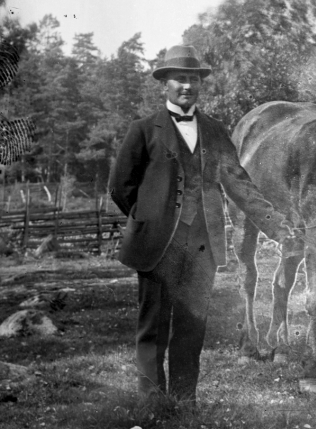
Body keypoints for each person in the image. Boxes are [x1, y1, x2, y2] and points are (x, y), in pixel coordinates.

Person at [110, 45, 295, 404]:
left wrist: (277, 225)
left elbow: (239, 183)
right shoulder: (143, 130)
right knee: (153, 329)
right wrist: (149, 220)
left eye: (193, 79)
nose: (186, 86)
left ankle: (184, 403)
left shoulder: (213, 131)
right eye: (179, 78)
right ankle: (153, 406)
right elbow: (121, 186)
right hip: (156, 248)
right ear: (165, 83)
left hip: (201, 248)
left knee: (191, 329)